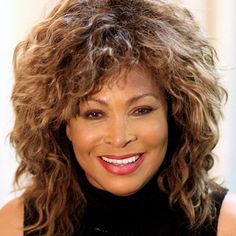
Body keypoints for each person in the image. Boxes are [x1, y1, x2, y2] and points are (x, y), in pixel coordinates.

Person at [0, 0, 236, 235]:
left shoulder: (227, 224)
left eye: (141, 110)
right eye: (94, 114)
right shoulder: (16, 225)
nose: (119, 138)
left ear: (175, 113)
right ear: (62, 125)